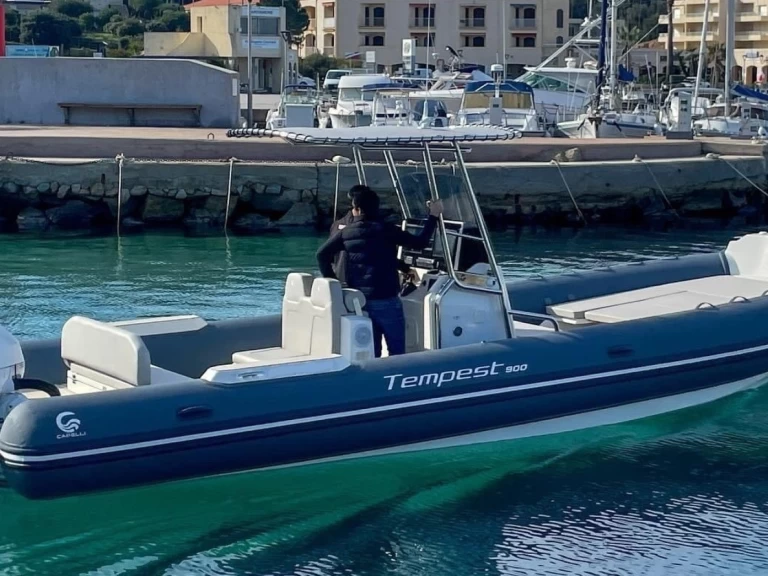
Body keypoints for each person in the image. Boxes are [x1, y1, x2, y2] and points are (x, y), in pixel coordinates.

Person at [317, 185, 443, 358]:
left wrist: (334, 283)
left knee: (373, 350)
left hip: (360, 301)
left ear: (357, 209)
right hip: (386, 298)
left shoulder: (346, 231)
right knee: (397, 350)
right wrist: (433, 216)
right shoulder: (387, 229)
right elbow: (420, 242)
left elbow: (322, 255)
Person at [330, 185, 414, 285]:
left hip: (341, 282)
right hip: (364, 284)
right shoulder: (369, 227)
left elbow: (328, 256)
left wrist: (331, 278)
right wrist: (405, 268)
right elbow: (376, 255)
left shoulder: (337, 225)